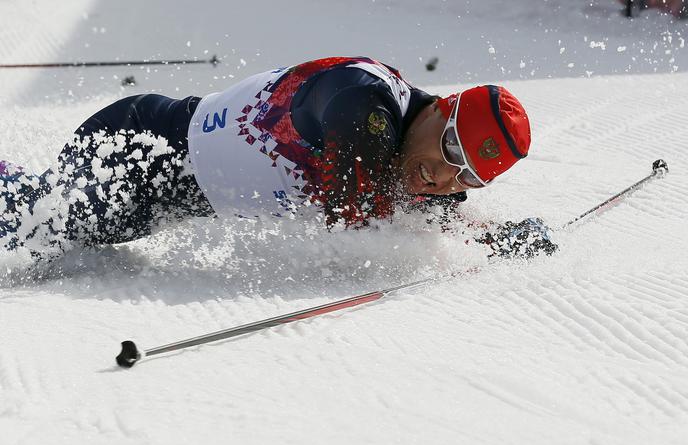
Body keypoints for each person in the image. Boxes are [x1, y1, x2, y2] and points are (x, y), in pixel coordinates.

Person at [0, 56, 554, 260]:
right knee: (29, 229)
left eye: (469, 177)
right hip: (140, 148)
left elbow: (433, 210)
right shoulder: (367, 100)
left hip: (166, 192)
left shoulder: (419, 159)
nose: (442, 176)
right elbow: (358, 217)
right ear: (442, 109)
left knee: (43, 221)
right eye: (451, 148)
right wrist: (458, 232)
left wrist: (497, 237)